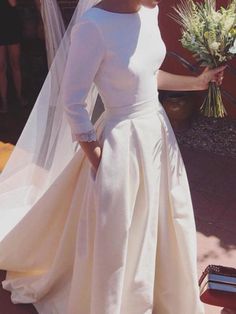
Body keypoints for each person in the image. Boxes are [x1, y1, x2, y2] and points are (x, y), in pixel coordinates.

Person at [0, 0, 225, 313]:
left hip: (157, 133)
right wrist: (98, 157)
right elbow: (73, 102)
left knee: (163, 216)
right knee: (117, 232)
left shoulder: (150, 12)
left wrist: (197, 83)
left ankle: (160, 293)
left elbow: (149, 75)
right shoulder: (93, 26)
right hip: (122, 142)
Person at [0, 0, 25, 113]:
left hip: (11, 25)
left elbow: (13, 3)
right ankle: (4, 102)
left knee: (15, 64)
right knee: (1, 67)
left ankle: (19, 96)